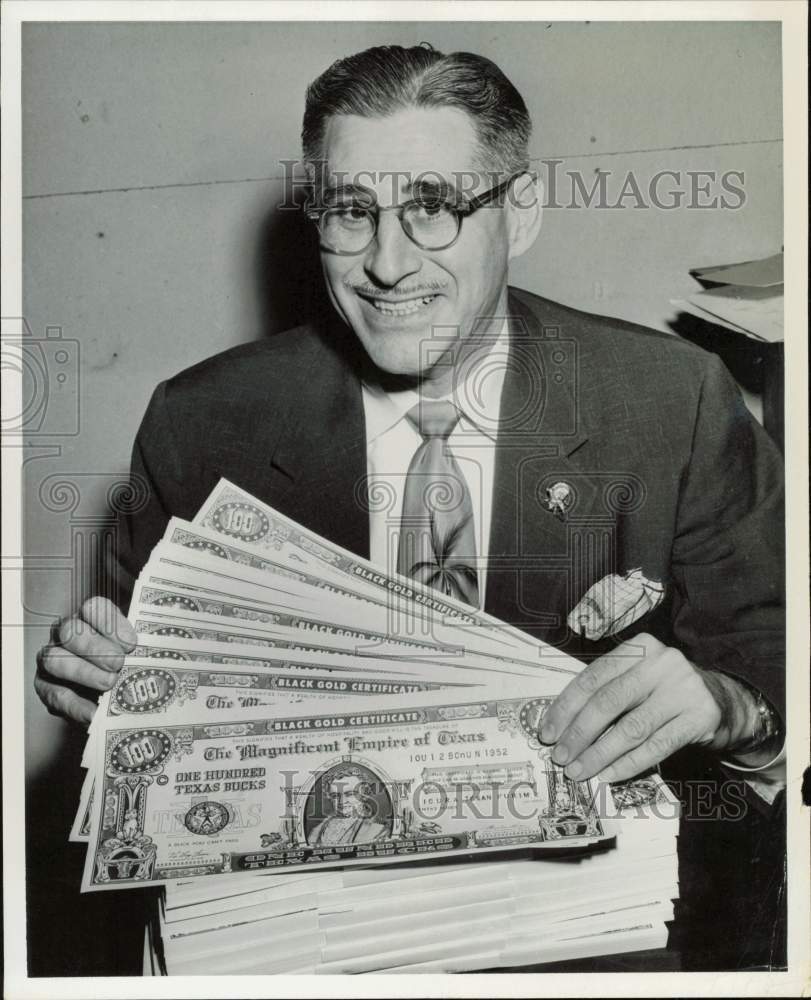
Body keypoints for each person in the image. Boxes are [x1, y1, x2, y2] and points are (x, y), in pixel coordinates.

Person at [35, 44, 785, 798]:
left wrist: (730, 706)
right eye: (351, 212)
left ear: (518, 215)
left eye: (432, 206)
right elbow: (147, 705)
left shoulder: (668, 398)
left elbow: (772, 654)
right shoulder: (200, 425)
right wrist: (103, 690)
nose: (387, 264)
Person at [307, 772, 391, 846]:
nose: (342, 801)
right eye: (335, 796)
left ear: (364, 795)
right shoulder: (319, 829)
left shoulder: (377, 828)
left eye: (350, 794)